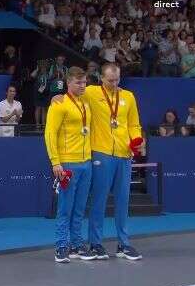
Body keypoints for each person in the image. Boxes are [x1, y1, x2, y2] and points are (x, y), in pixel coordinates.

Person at [52, 63, 144, 261]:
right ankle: (96, 243)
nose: (114, 83)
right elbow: (71, 94)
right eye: (110, 80)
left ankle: (123, 244)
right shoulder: (91, 92)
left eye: (117, 79)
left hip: (124, 154)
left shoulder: (128, 96)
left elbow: (134, 124)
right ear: (101, 78)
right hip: (100, 154)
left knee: (123, 200)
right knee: (98, 200)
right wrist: (55, 96)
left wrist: (136, 139)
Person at [44, 67, 96, 262]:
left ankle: (77, 244)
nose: (82, 86)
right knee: (65, 207)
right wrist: (55, 162)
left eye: (84, 82)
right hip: (67, 163)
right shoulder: (59, 104)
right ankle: (61, 245)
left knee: (80, 207)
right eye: (78, 82)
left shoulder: (86, 102)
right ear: (68, 83)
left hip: (86, 162)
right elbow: (50, 134)